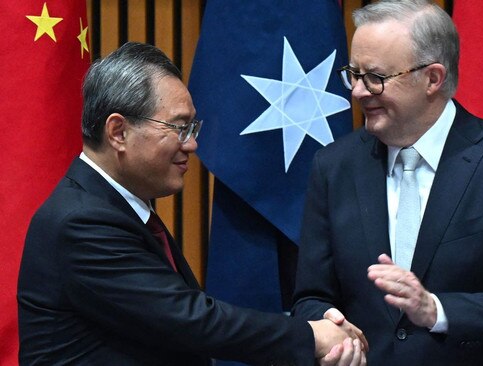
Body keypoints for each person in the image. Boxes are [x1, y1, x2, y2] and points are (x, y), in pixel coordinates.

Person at [17, 42, 367, 366]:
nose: (192, 146)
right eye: (179, 128)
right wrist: (310, 335)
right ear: (118, 132)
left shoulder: (117, 208)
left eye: (192, 128)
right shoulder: (82, 222)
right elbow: (191, 320)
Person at [292, 1, 483, 364]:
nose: (357, 92)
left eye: (375, 77)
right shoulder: (334, 166)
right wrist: (329, 326)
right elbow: (311, 296)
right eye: (353, 74)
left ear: (432, 78)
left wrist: (436, 309)